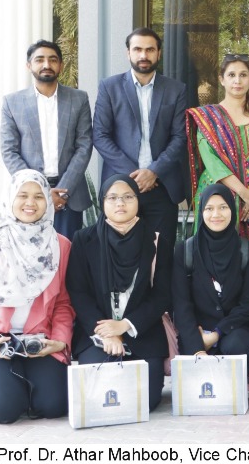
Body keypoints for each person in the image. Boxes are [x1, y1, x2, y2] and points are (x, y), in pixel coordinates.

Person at [0, 170, 73, 424]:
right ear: (10, 197)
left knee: (54, 407)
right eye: (23, 195)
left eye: (39, 196)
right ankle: (7, 382)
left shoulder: (60, 245)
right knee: (3, 411)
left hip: (40, 342)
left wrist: (60, 341)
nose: (30, 203)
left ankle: (23, 382)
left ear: (48, 202)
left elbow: (63, 302)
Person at [67, 174, 170, 411]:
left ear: (138, 201)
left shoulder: (155, 242)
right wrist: (107, 333)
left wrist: (126, 325)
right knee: (97, 393)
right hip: (97, 335)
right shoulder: (84, 240)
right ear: (103, 202)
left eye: (127, 197)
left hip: (142, 333)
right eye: (112, 198)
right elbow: (78, 292)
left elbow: (163, 295)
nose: (120, 203)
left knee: (146, 400)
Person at [93, 27, 188, 270]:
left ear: (159, 53)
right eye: (137, 49)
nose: (143, 55)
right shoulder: (110, 87)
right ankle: (119, 306)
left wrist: (153, 171)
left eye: (149, 49)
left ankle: (159, 307)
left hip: (161, 186)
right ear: (128, 53)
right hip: (121, 186)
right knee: (118, 253)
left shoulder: (176, 89)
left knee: (161, 254)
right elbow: (101, 135)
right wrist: (134, 175)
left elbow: (180, 137)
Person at [170, 184, 249, 396]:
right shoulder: (185, 251)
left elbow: (248, 304)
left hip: (233, 328)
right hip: (196, 330)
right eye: (209, 209)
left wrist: (218, 333)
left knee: (237, 343)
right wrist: (198, 346)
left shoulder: (247, 250)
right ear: (201, 212)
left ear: (232, 210)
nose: (216, 214)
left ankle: (243, 372)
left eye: (223, 207)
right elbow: (181, 304)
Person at [0, 40, 93, 239]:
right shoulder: (12, 102)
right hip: (29, 195)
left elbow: (84, 146)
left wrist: (62, 192)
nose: (46, 65)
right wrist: (39, 189)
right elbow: (9, 150)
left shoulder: (79, 99)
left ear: (60, 65)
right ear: (29, 65)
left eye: (53, 60)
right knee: (30, 257)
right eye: (39, 60)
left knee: (66, 256)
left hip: (69, 193)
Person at [186, 54, 249, 246]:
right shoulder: (207, 117)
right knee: (215, 252)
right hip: (217, 197)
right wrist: (244, 193)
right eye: (231, 75)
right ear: (221, 79)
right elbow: (211, 161)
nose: (237, 81)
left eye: (243, 75)